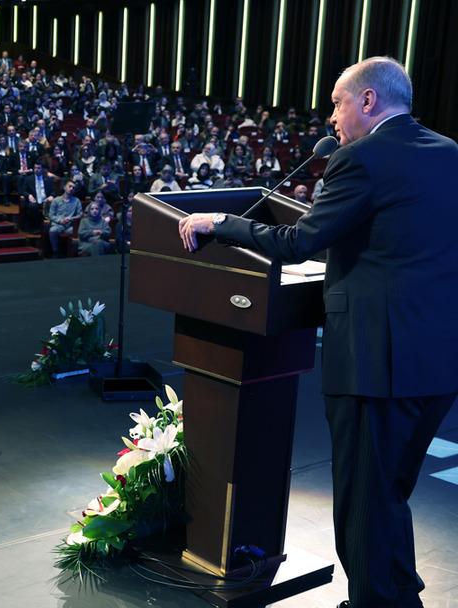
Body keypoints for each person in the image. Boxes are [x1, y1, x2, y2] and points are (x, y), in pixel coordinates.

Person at [177, 57, 457, 608]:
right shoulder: (448, 153)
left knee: (362, 502)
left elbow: (298, 243)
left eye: (337, 102)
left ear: (369, 101)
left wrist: (221, 223)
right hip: (438, 361)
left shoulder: (360, 159)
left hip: (375, 364)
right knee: (391, 491)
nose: (332, 117)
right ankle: (401, 594)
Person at [47, 181, 83, 257]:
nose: (71, 188)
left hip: (70, 225)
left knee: (78, 231)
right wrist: (60, 220)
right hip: (58, 224)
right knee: (52, 230)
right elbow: (51, 215)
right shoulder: (56, 200)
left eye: (73, 188)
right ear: (64, 187)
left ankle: (72, 253)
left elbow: (80, 214)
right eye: (70, 186)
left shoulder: (77, 201)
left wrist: (71, 218)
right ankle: (55, 251)